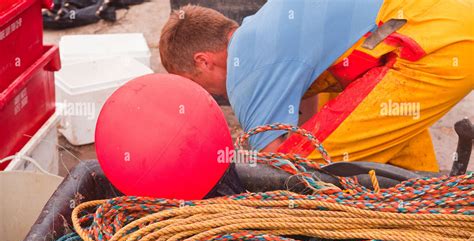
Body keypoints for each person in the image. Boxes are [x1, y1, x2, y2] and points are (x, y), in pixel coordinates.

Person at [159, 0, 473, 171]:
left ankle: (417, 216)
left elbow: (273, 169)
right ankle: (425, 197)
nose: (210, 96)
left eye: (198, 86)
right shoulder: (269, 29)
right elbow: (306, 123)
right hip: (448, 18)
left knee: (298, 174)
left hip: (431, 44)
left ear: (203, 61)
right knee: (361, 111)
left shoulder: (243, 74)